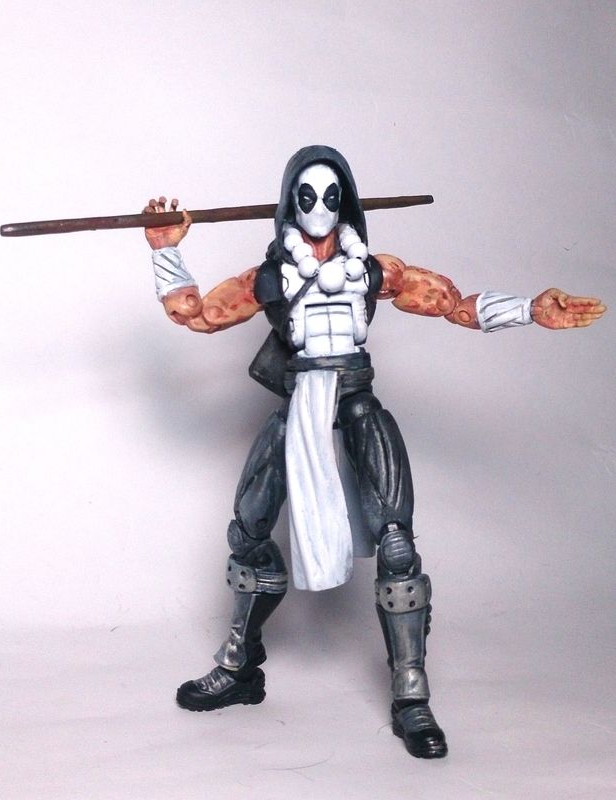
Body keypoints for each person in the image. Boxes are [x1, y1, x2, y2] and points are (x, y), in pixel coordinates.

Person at [143, 145, 605, 759]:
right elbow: (198, 316)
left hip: (357, 400)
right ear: (290, 202)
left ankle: (411, 695)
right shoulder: (270, 276)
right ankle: (240, 665)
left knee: (396, 544)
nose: (319, 207)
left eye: (331, 196)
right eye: (307, 196)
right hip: (301, 401)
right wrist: (166, 249)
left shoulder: (373, 270)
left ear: (347, 203)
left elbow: (453, 303)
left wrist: (529, 310)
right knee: (249, 528)